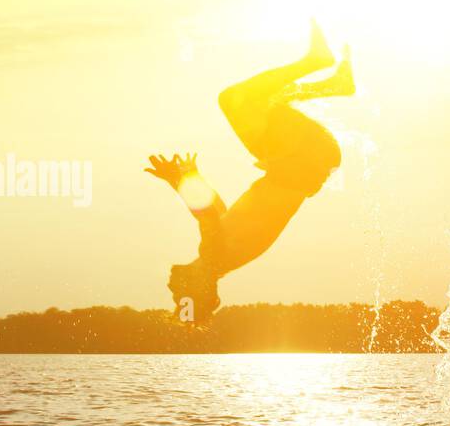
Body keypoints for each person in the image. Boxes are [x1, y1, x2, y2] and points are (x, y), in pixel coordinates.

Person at [145, 21, 350, 323]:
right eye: (179, 295)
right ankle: (317, 64)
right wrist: (180, 180)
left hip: (307, 162)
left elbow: (217, 209)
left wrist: (188, 178)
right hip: (302, 160)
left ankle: (334, 83)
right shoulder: (214, 256)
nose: (171, 287)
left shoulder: (221, 258)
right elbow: (207, 215)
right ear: (199, 288)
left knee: (259, 102)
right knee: (234, 99)